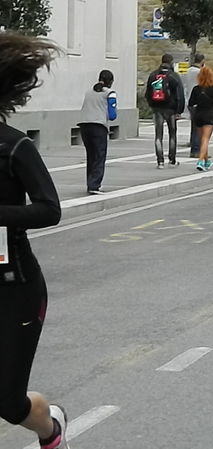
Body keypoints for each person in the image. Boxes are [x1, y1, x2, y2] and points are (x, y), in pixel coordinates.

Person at [0, 32, 69, 449]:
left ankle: (51, 429)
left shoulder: (14, 146)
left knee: (7, 402)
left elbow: (50, 209)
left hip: (15, 288)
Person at [78, 70, 117, 194]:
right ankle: (94, 185)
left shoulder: (89, 92)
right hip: (98, 126)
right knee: (99, 156)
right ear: (110, 82)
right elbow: (112, 115)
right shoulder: (110, 93)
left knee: (91, 155)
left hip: (84, 125)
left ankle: (90, 183)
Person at [145, 53, 185, 169]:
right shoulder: (173, 76)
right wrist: (179, 110)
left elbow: (148, 93)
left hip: (157, 108)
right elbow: (180, 95)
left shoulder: (153, 75)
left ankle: (160, 161)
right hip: (170, 109)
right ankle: (172, 160)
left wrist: (151, 105)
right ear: (171, 62)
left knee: (158, 135)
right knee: (172, 134)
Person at [188, 66, 213, 171]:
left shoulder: (196, 89)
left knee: (202, 139)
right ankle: (200, 160)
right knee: (206, 139)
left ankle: (206, 160)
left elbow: (191, 103)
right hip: (208, 115)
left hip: (198, 115)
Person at [184, 53, 205, 157]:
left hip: (190, 100)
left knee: (194, 126)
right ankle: (196, 149)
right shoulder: (200, 72)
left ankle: (194, 146)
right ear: (202, 61)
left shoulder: (189, 71)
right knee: (199, 127)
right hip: (198, 101)